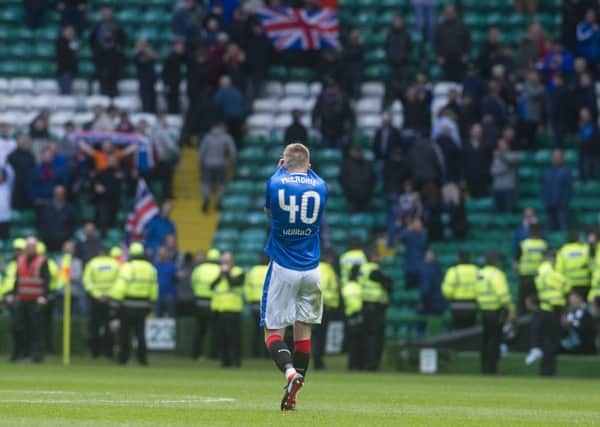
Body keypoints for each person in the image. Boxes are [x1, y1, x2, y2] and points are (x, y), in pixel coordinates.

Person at [262, 143, 328, 411]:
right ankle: (292, 398)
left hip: (283, 267)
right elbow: (305, 169)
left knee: (273, 332)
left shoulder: (275, 183)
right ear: (309, 166)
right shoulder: (321, 187)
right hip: (312, 270)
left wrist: (281, 170)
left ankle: (290, 373)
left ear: (282, 163)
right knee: (303, 333)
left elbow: (269, 213)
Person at [111, 242, 158, 365]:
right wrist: (152, 302)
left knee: (125, 333)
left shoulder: (128, 267)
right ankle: (143, 359)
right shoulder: (150, 268)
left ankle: (123, 359)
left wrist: (115, 302)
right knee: (140, 334)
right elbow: (154, 288)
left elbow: (121, 286)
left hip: (127, 305)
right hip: (143, 305)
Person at [8, 237, 51, 363]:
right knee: (20, 328)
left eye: (32, 246)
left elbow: (46, 280)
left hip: (36, 300)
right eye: (28, 246)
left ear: (36, 247)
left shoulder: (42, 261)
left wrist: (44, 296)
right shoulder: (20, 260)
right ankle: (21, 354)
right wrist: (13, 294)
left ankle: (36, 356)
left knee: (35, 329)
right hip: (22, 299)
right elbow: (18, 280)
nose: (30, 248)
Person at [475, 253, 514, 375]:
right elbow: (502, 293)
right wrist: (510, 307)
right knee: (494, 340)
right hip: (495, 311)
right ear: (496, 261)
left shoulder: (480, 274)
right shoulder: (496, 274)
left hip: (483, 310)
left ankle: (483, 368)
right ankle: (492, 368)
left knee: (485, 340)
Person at [534, 252, 568, 376]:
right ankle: (549, 370)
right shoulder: (552, 272)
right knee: (552, 341)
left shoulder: (540, 271)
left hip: (544, 307)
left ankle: (545, 369)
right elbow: (566, 284)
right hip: (554, 309)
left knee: (546, 340)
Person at [83, 248, 120, 358]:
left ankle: (95, 352)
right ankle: (108, 352)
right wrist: (109, 294)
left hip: (96, 300)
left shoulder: (92, 263)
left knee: (95, 326)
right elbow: (119, 282)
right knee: (110, 327)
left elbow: (87, 281)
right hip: (111, 299)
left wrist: (98, 295)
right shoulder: (115, 264)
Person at [359, 248, 392, 371]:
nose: (380, 259)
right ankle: (372, 364)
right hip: (375, 307)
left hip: (366, 305)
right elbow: (387, 284)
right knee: (375, 337)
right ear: (373, 257)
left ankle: (365, 363)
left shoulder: (363, 269)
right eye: (378, 256)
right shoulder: (374, 269)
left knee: (367, 336)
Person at [212, 252, 245, 367]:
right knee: (222, 338)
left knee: (234, 338)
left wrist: (226, 274)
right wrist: (221, 275)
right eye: (223, 261)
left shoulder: (239, 272)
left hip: (234, 310)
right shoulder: (219, 273)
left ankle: (236, 361)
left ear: (232, 262)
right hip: (220, 310)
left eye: (227, 261)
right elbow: (211, 286)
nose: (225, 263)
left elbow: (234, 283)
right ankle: (224, 361)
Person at [198, 122, 237, 213]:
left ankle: (206, 198)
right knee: (223, 183)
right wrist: (232, 163)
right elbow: (233, 151)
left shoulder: (207, 137)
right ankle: (218, 201)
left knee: (206, 183)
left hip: (207, 163)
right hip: (221, 163)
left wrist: (201, 164)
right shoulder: (226, 137)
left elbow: (201, 152)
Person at [88, 6, 126, 97]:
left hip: (114, 58)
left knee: (113, 80)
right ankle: (103, 98)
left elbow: (123, 39)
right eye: (105, 13)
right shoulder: (98, 25)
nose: (106, 14)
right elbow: (91, 40)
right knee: (103, 80)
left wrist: (118, 48)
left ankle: (114, 100)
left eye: (108, 12)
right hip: (101, 58)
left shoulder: (117, 25)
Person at [190, 248, 221, 359]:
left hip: (199, 303)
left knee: (199, 330)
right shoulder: (220, 270)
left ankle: (196, 354)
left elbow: (192, 283)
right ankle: (213, 355)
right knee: (215, 331)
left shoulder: (198, 269)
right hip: (214, 303)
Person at [312, 251, 340, 370]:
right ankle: (318, 361)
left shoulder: (314, 268)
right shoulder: (327, 270)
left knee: (314, 334)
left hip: (313, 306)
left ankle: (315, 359)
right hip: (323, 306)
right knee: (320, 336)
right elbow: (323, 289)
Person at [441, 251, 479, 329]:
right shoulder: (476, 270)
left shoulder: (453, 271)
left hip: (457, 305)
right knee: (470, 331)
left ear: (458, 258)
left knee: (459, 332)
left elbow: (447, 290)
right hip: (472, 305)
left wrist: (450, 297)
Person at [312, 80, 355, 149]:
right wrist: (315, 126)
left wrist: (349, 129)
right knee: (326, 152)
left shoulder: (343, 98)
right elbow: (315, 112)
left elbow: (350, 114)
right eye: (330, 87)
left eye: (333, 87)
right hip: (325, 130)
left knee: (338, 152)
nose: (331, 89)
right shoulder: (322, 98)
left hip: (340, 131)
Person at [433, 5, 471, 82]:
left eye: (451, 12)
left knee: (459, 82)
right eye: (447, 12)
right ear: (444, 13)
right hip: (445, 60)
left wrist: (466, 54)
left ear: (455, 13)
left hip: (459, 60)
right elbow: (436, 43)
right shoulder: (440, 27)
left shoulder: (462, 26)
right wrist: (439, 56)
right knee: (447, 82)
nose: (449, 14)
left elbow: (468, 41)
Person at [516, 223, 547, 314]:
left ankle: (522, 320)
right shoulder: (543, 244)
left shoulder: (523, 244)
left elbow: (516, 263)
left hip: (525, 276)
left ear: (529, 232)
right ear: (539, 232)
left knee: (522, 301)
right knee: (538, 300)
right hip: (539, 277)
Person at [541, 150, 573, 231]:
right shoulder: (547, 171)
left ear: (562, 159)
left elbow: (569, 188)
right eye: (554, 157)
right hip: (549, 204)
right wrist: (545, 200)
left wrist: (565, 201)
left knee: (563, 226)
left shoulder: (566, 171)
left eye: (558, 157)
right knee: (549, 228)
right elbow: (543, 188)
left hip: (562, 205)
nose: (556, 159)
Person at [339, 146, 376, 212]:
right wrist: (349, 193)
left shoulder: (367, 164)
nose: (357, 153)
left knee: (367, 218)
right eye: (355, 151)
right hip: (351, 198)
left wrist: (368, 192)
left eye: (358, 151)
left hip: (366, 197)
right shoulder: (346, 164)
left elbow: (373, 179)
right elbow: (342, 180)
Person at [244, 255, 268, 358]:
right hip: (268, 304)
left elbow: (247, 287)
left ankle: (255, 353)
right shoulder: (272, 270)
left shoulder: (253, 271)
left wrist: (249, 300)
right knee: (269, 330)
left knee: (256, 329)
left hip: (254, 302)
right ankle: (267, 353)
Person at [342, 264, 364, 370]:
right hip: (356, 315)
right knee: (357, 342)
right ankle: (356, 364)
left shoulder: (346, 286)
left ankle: (352, 365)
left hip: (349, 316)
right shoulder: (359, 287)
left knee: (352, 342)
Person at [557, 231, 591, 299]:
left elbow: (559, 270)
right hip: (585, 282)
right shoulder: (586, 248)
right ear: (578, 239)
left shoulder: (563, 250)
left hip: (570, 284)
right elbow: (591, 265)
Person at [214, 75, 245, 147]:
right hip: (239, 118)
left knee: (227, 138)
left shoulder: (221, 92)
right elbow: (243, 104)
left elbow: (216, 103)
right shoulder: (237, 91)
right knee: (237, 139)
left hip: (228, 118)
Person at [490, 138, 519, 213]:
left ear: (507, 145)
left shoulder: (513, 155)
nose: (501, 147)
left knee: (508, 212)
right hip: (497, 188)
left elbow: (510, 162)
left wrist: (501, 156)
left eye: (503, 145)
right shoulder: (495, 158)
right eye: (499, 145)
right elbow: (493, 171)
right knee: (497, 213)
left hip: (508, 188)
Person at [399, 218, 427, 289]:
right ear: (413, 225)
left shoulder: (423, 235)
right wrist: (407, 229)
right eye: (416, 224)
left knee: (420, 289)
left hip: (420, 267)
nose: (418, 226)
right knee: (408, 289)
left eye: (419, 224)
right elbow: (399, 238)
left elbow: (426, 248)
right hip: (409, 266)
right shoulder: (408, 234)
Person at [162, 39, 186, 114]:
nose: (181, 49)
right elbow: (165, 73)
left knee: (176, 103)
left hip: (176, 84)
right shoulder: (170, 58)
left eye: (182, 47)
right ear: (175, 47)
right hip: (170, 85)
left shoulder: (181, 57)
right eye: (179, 47)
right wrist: (166, 84)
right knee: (171, 104)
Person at [154, 245, 179, 318]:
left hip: (169, 296)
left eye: (163, 253)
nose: (162, 254)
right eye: (160, 253)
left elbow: (176, 280)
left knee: (171, 317)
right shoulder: (155, 266)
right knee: (158, 317)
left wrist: (178, 276)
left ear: (167, 254)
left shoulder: (172, 266)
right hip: (157, 296)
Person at [55, 25, 79, 95]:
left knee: (68, 91)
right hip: (63, 71)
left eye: (72, 32)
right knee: (65, 93)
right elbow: (64, 54)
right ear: (64, 32)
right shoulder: (60, 42)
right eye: (69, 32)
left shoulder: (73, 42)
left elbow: (75, 54)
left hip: (71, 71)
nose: (70, 34)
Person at [577, 108, 599, 182]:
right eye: (582, 115)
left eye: (585, 115)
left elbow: (593, 140)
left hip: (591, 154)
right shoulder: (581, 126)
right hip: (582, 154)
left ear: (589, 115)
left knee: (589, 172)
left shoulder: (594, 126)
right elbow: (580, 140)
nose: (584, 117)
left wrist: (583, 141)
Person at [0, 164, 15, 240]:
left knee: (5, 238)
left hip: (5, 217)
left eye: (1, 175)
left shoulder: (7, 186)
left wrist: (5, 165)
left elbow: (11, 175)